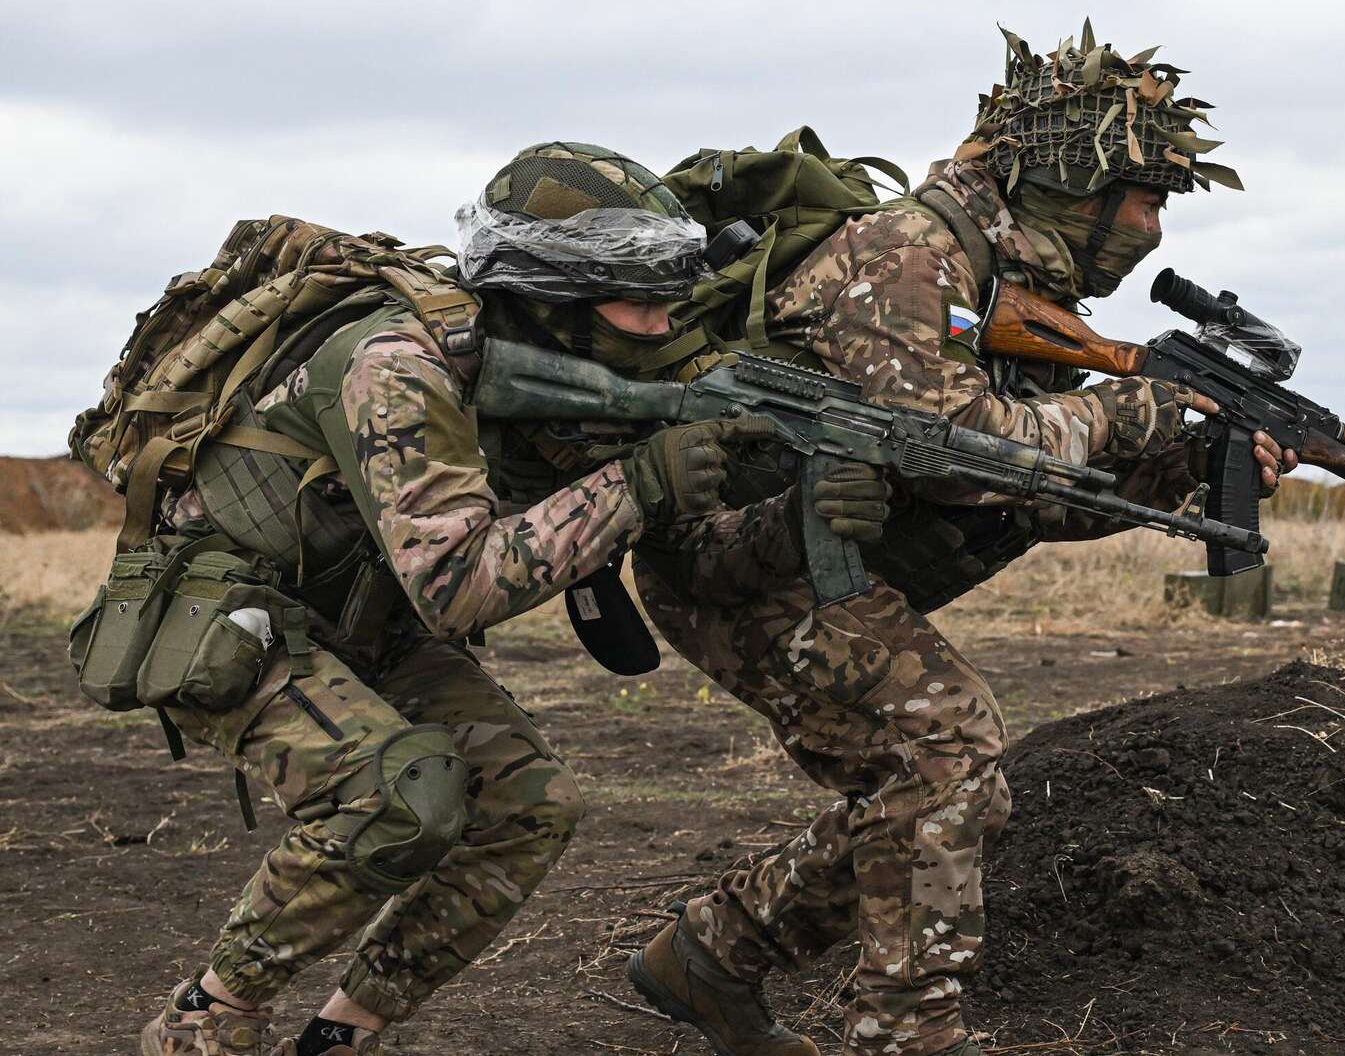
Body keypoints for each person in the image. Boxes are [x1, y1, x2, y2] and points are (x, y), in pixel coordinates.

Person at [626, 26, 1293, 1056]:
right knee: (947, 749)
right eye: (1145, 196)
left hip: (817, 552)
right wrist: (1129, 415)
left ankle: (717, 951)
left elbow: (1033, 497)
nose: (1153, 228)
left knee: (933, 778)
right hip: (735, 553)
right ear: (1079, 176)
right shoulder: (907, 257)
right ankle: (903, 1031)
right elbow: (953, 453)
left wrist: (1186, 462)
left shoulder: (1014, 283)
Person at [138, 142, 878, 1056]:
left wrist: (788, 495)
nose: (658, 325)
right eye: (633, 298)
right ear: (544, 291)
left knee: (531, 803)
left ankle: (342, 1034)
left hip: (365, 610)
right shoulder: (395, 364)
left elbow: (681, 553)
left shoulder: (556, 369)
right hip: (229, 614)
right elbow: (457, 589)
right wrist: (638, 484)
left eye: (665, 297)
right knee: (399, 795)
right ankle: (207, 1020)